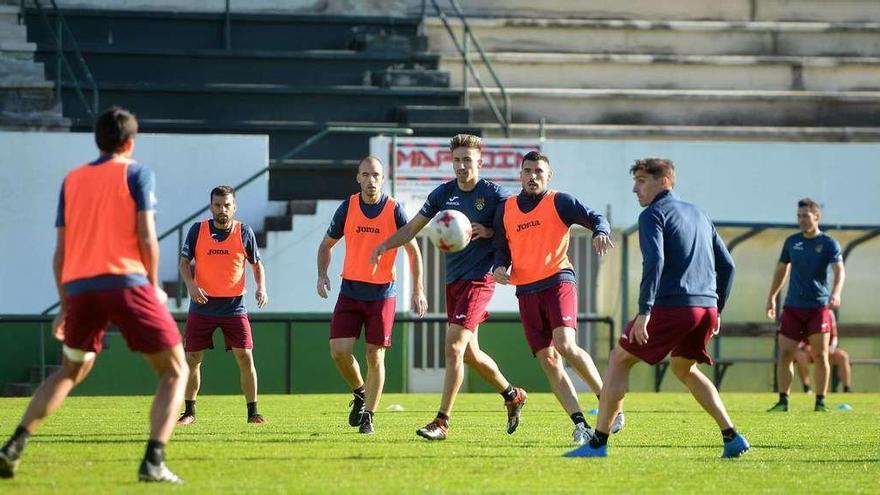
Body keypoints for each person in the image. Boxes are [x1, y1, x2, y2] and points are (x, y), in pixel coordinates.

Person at [0, 106, 188, 482]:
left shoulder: (72, 180)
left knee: (70, 370)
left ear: (97, 141)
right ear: (130, 143)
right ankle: (153, 461)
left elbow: (61, 252)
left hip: (82, 289)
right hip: (126, 283)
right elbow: (147, 237)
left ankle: (13, 445)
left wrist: (65, 306)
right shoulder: (137, 172)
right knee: (175, 371)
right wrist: (153, 285)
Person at [567, 158, 748, 458]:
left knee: (619, 359)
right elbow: (727, 266)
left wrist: (645, 310)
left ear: (664, 181)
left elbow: (655, 261)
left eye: (641, 180)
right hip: (705, 308)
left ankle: (598, 443)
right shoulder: (699, 214)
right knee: (683, 368)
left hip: (674, 306)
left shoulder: (653, 214)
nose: (635, 188)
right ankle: (732, 437)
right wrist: (718, 309)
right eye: (635, 181)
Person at [371, 134, 526, 441]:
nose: (461, 165)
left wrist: (491, 229)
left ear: (479, 162)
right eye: (456, 160)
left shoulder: (495, 194)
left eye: (467, 160)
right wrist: (384, 246)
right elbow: (413, 227)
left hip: (480, 280)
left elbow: (515, 227)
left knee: (453, 347)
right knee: (470, 354)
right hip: (453, 281)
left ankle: (441, 422)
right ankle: (512, 395)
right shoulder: (443, 193)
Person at [492, 151, 624, 445]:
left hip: (558, 280)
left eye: (539, 171)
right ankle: (580, 424)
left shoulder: (560, 201)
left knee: (565, 344)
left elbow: (595, 217)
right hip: (526, 290)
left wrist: (600, 231)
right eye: (528, 171)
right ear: (520, 175)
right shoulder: (506, 209)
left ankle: (609, 402)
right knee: (549, 360)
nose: (532, 176)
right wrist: (499, 267)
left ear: (548, 176)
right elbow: (502, 249)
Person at [317, 157, 427, 434]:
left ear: (383, 178)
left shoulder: (394, 210)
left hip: (382, 293)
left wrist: (418, 290)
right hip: (350, 290)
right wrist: (322, 274)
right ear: (358, 178)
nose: (370, 180)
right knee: (339, 352)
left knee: (374, 356)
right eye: (365, 175)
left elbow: (413, 251)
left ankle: (369, 415)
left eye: (375, 175)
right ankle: (359, 391)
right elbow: (326, 245)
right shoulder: (348, 207)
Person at [176, 185, 268, 425]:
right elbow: (184, 263)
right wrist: (191, 286)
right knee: (192, 358)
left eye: (227, 205)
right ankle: (189, 412)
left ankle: (253, 412)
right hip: (202, 305)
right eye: (218, 205)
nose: (222, 210)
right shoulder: (197, 231)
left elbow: (257, 265)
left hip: (234, 306)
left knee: (245, 356)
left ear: (234, 207)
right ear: (211, 207)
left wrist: (261, 287)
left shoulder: (244, 232)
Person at [766, 198, 845, 413]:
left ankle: (820, 402)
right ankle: (783, 401)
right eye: (799, 216)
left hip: (818, 308)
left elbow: (839, 270)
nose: (801, 220)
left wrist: (836, 293)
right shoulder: (791, 242)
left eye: (806, 216)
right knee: (785, 354)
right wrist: (772, 295)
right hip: (793, 308)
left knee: (820, 356)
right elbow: (782, 270)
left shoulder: (829, 244)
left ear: (816, 217)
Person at [795, 312, 852, 393]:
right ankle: (807, 388)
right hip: (808, 351)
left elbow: (834, 335)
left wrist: (831, 348)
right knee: (800, 356)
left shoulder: (829, 313)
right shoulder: (804, 311)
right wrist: (805, 347)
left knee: (843, 357)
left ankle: (846, 389)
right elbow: (797, 334)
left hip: (826, 350)